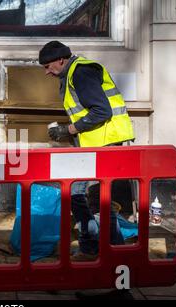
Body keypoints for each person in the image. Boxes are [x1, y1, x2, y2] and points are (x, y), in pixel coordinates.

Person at [39, 41, 135, 261]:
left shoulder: (81, 72)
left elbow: (102, 111)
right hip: (95, 145)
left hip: (105, 144)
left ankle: (104, 253)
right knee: (93, 199)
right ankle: (102, 252)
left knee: (89, 198)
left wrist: (68, 129)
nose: (46, 72)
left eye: (47, 66)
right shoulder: (72, 73)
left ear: (60, 59)